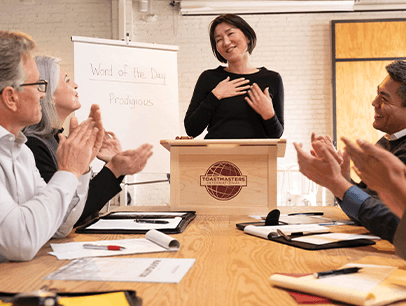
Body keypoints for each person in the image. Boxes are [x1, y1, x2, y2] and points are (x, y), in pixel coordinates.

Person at [0, 31, 104, 262]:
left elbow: (60, 227)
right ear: (10, 98)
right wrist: (69, 172)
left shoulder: (22, 151)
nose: (42, 94)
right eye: (38, 85)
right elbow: (21, 242)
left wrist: (81, 168)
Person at [23, 55, 154, 226]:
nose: (75, 84)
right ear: (48, 94)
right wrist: (114, 169)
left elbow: (78, 201)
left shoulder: (57, 139)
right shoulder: (33, 146)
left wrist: (114, 167)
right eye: (67, 80)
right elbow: (66, 216)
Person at [293, 60, 406, 243]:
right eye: (377, 94)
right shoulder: (386, 142)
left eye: (384, 99)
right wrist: (342, 179)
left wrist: (338, 184)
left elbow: (391, 221)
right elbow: (369, 209)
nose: (373, 102)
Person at [184, 14, 284, 139]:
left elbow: (276, 135)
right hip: (216, 157)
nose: (226, 42)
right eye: (219, 39)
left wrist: (268, 114)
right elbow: (191, 129)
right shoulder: (208, 78)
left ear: (247, 36)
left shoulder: (272, 79)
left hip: (257, 156)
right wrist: (215, 95)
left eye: (230, 34)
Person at [341, 137, 406, 259]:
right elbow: (368, 195)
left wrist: (340, 185)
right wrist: (343, 182)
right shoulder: (384, 141)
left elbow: (379, 207)